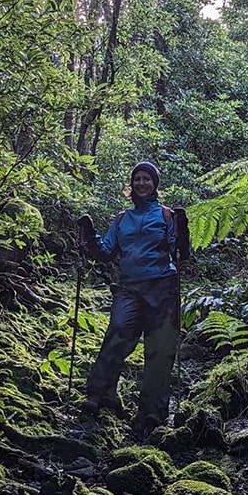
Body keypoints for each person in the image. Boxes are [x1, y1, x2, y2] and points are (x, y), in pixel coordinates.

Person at [77, 161, 182, 436]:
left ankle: (152, 413)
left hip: (162, 288)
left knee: (159, 351)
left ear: (155, 184)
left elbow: (181, 254)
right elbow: (106, 251)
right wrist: (89, 234)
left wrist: (183, 232)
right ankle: (98, 396)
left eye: (147, 179)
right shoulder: (123, 218)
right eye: (137, 179)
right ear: (131, 184)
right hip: (129, 289)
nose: (141, 183)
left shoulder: (167, 215)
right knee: (118, 333)